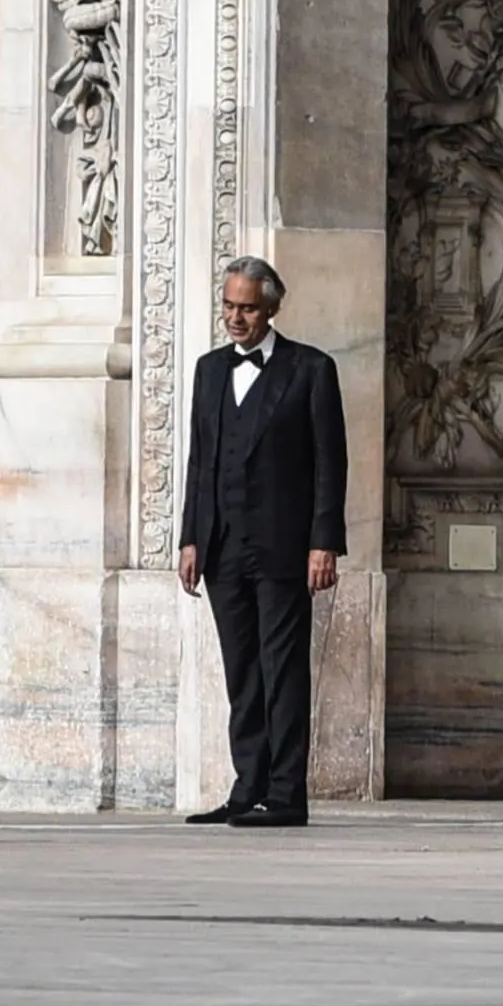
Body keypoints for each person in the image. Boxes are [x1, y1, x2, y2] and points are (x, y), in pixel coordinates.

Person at [178, 256, 348, 829]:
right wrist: (190, 539)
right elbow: (201, 461)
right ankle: (246, 784)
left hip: (283, 548)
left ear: (272, 308)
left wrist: (324, 542)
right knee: (241, 672)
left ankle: (285, 795)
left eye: (247, 307)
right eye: (228, 305)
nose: (235, 317)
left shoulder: (310, 370)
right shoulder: (207, 371)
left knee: (283, 670)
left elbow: (331, 463)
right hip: (223, 547)